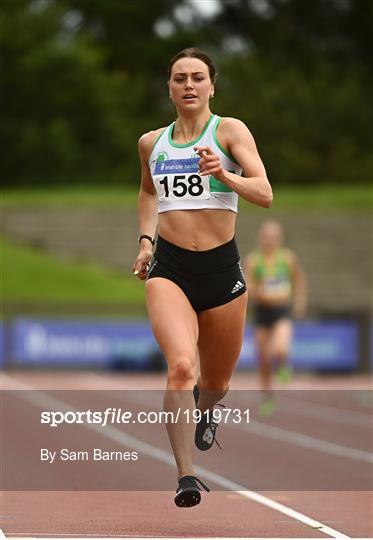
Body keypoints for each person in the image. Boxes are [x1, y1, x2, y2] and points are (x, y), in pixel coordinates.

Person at [132, 47, 272, 507]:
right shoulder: (152, 142)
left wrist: (225, 175)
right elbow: (148, 192)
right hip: (169, 268)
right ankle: (186, 476)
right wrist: (146, 242)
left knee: (215, 383)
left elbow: (265, 193)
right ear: (169, 87)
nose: (188, 85)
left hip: (221, 271)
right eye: (179, 78)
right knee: (180, 367)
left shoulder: (229, 131)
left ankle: (207, 411)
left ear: (212, 86)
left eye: (197, 77)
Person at [244, 220, 307, 416]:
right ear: (260, 238)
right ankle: (267, 398)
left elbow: (298, 279)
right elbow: (249, 285)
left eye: (273, 237)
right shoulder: (254, 261)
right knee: (263, 360)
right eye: (266, 237)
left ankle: (283, 364)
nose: (269, 240)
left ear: (279, 238)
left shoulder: (287, 258)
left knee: (280, 348)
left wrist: (299, 301)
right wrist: (261, 293)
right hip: (262, 311)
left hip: (281, 310)